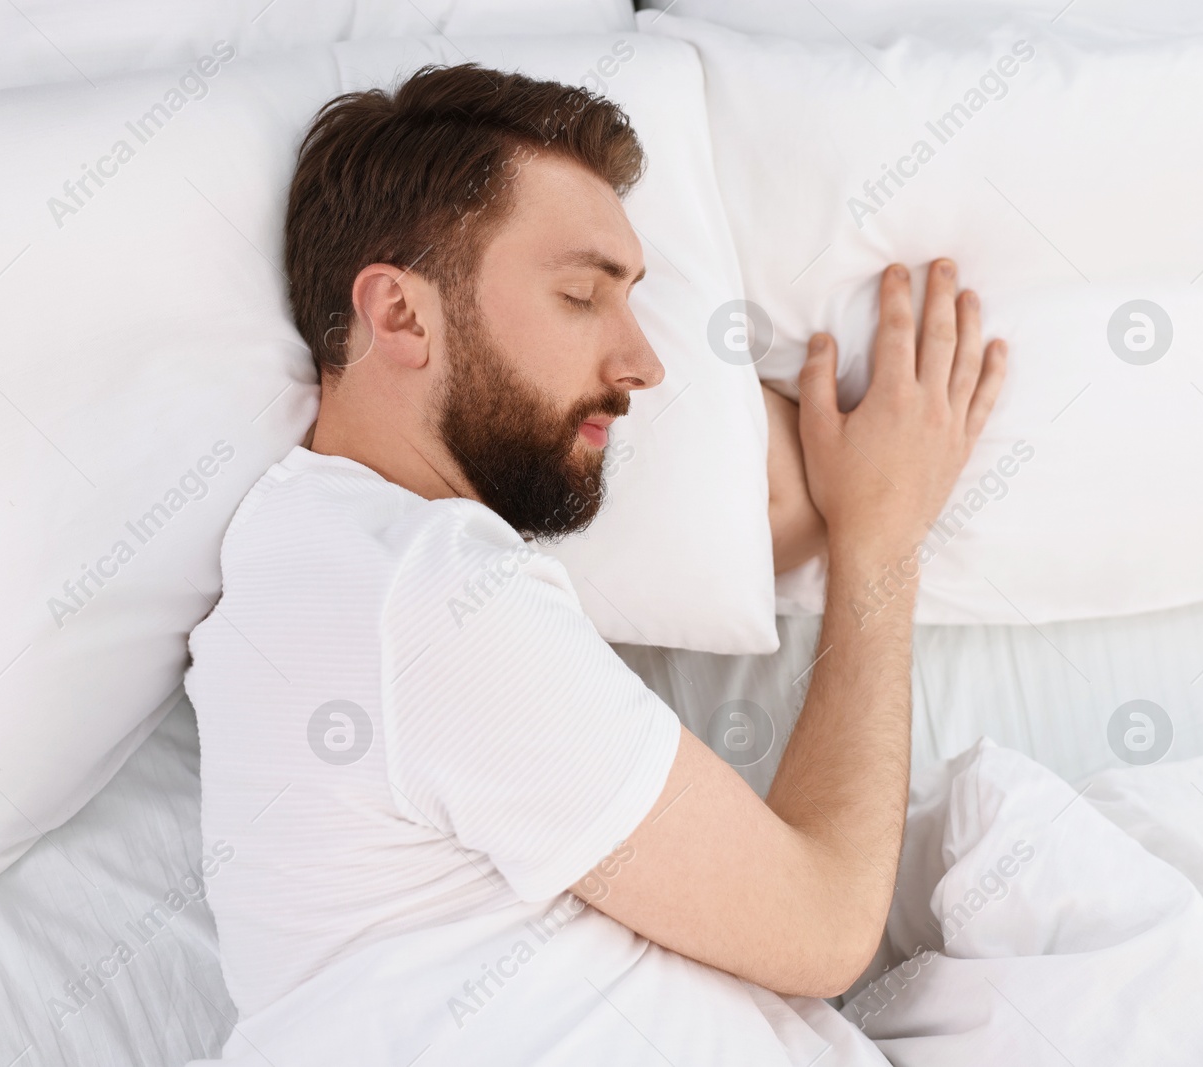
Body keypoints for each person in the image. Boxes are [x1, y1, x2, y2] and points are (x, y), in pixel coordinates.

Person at [184, 63, 1007, 1066]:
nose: (645, 362)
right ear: (398, 315)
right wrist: (881, 536)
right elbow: (823, 927)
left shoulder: (331, 565)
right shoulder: (427, 590)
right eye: (580, 294)